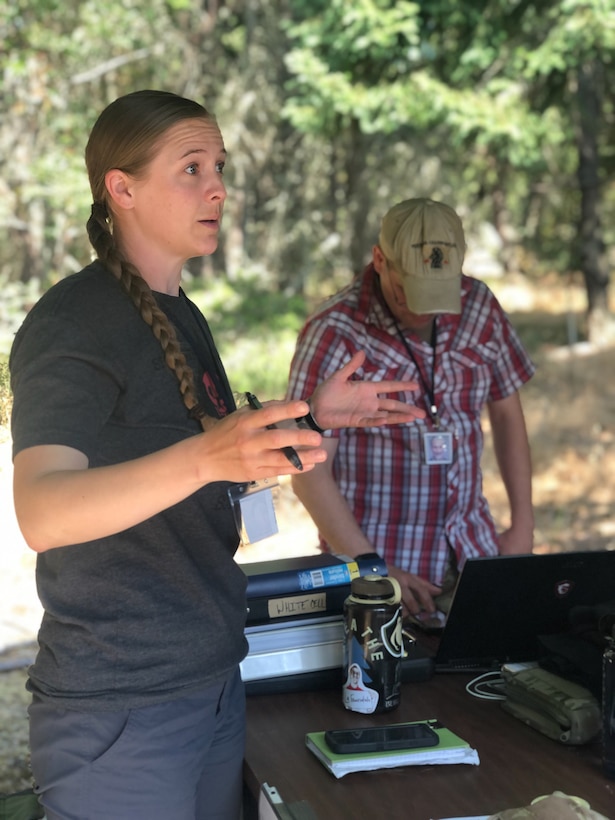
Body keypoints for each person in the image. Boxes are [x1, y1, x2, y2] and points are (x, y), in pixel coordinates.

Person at [8, 90, 425, 820]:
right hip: (121, 707)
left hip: (210, 676)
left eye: (220, 166)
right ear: (122, 188)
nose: (217, 187)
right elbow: (42, 510)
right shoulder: (73, 320)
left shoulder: (179, 315)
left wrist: (305, 419)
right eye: (191, 167)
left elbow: (196, 462)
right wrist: (207, 457)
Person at [286, 197, 536, 619]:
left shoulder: (479, 306)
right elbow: (309, 474)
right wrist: (373, 568)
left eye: (439, 295)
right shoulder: (335, 332)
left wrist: (522, 527)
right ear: (380, 260)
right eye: (408, 295)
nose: (423, 310)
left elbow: (508, 415)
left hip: (475, 553)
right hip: (381, 570)